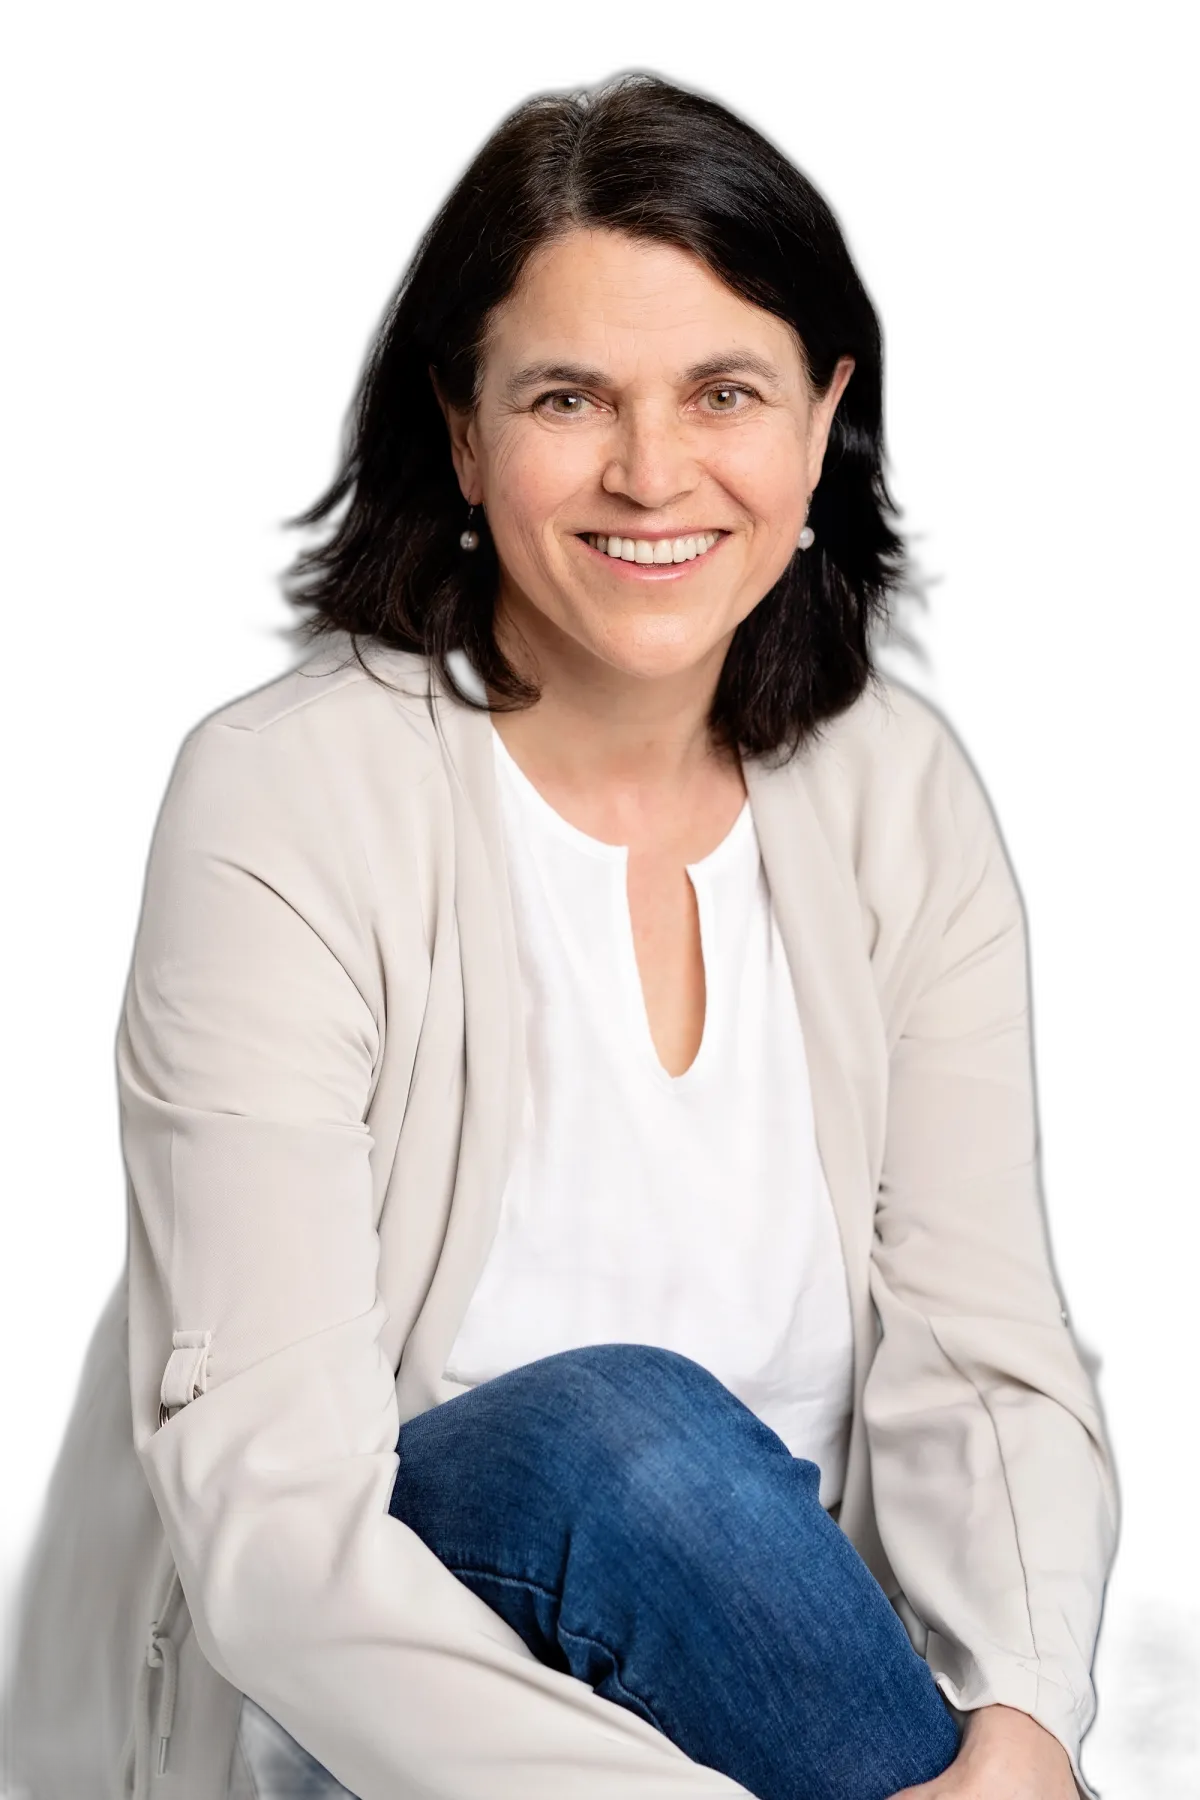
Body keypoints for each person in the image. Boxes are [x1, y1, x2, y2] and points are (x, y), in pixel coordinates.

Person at [3, 72, 1118, 1800]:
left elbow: (986, 1360)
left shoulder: (897, 795)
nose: (651, 469)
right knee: (624, 1439)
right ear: (461, 431)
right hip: (374, 1717)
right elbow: (280, 1545)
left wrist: (1027, 1735)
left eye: (724, 391)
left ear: (823, 420)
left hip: (785, 1684)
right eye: (568, 396)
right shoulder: (283, 805)